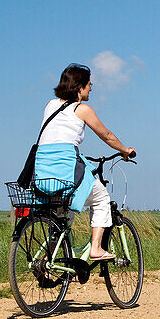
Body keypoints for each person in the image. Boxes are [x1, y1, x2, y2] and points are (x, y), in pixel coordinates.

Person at [34, 63, 136, 261]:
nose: (91, 88)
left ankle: (50, 257)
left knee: (63, 212)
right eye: (89, 84)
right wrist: (125, 150)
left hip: (43, 171)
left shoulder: (50, 105)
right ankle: (96, 248)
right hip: (65, 169)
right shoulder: (82, 109)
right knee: (101, 198)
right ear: (79, 87)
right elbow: (106, 135)